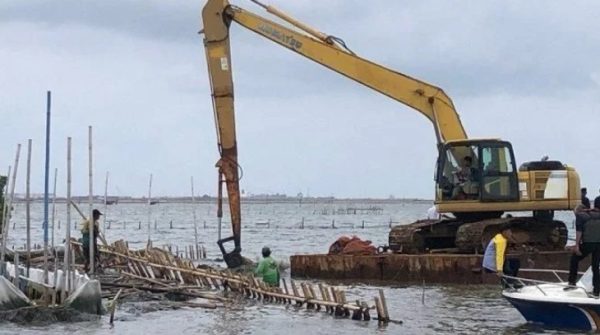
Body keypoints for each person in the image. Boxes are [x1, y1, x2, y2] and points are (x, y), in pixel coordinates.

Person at [566, 206, 600, 296]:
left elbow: (579, 231)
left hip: (589, 243)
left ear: (576, 211)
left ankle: (572, 282)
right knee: (595, 266)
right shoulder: (597, 214)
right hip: (599, 244)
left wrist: (576, 246)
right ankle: (597, 290)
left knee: (574, 259)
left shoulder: (580, 216)